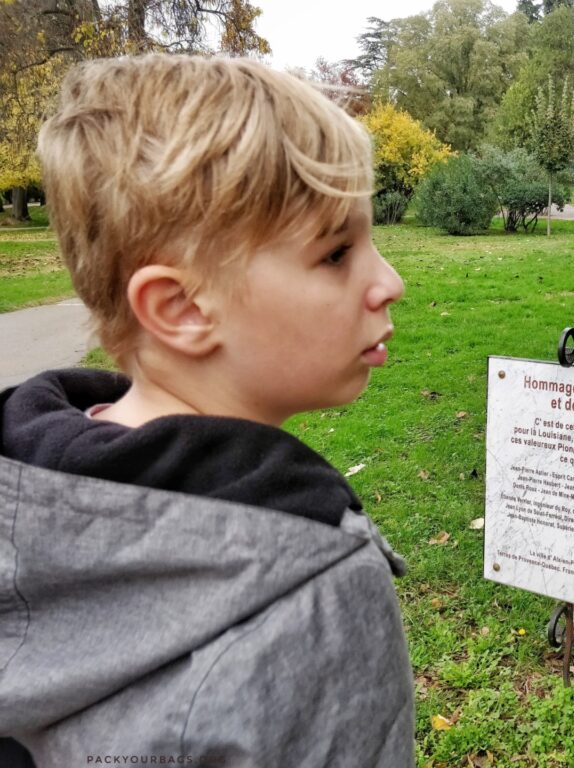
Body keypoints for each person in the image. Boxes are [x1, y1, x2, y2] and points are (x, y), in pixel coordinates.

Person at [0, 55, 412, 767]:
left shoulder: (25, 496)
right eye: (337, 253)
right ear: (182, 309)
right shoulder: (317, 585)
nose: (390, 282)